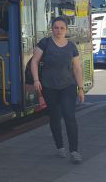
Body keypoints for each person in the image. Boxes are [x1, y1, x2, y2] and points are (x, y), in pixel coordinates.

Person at [30, 16, 85, 164]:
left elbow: (77, 68)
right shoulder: (45, 43)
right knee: (54, 116)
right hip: (49, 87)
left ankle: (74, 151)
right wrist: (36, 80)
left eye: (62, 28)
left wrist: (81, 88)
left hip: (68, 86)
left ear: (66, 30)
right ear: (51, 28)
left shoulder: (71, 46)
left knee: (69, 116)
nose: (58, 30)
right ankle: (60, 146)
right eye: (56, 27)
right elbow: (34, 62)